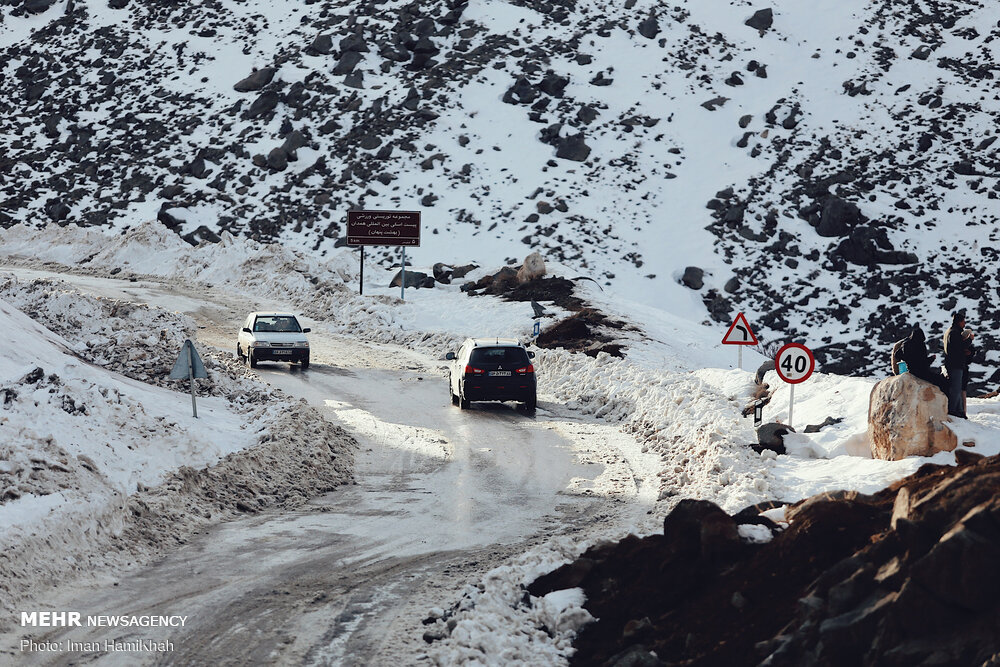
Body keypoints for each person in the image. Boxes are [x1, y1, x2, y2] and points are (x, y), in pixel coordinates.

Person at [898, 325, 946, 390]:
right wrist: (931, 359)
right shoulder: (920, 344)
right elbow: (923, 362)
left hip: (910, 371)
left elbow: (897, 355)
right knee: (942, 381)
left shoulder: (906, 343)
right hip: (921, 373)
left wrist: (906, 359)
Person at [943, 311, 967, 418]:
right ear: (959, 322)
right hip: (956, 364)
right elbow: (958, 348)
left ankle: (959, 411)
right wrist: (969, 341)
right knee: (956, 389)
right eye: (963, 321)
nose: (964, 323)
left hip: (952, 363)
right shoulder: (954, 333)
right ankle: (953, 411)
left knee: (956, 388)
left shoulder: (950, 332)